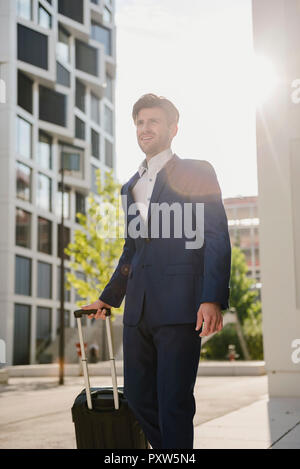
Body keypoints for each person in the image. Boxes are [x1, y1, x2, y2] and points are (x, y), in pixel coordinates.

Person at [82, 93, 231, 449]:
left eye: (153, 121)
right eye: (139, 122)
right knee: (138, 398)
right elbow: (132, 249)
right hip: (139, 311)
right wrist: (107, 298)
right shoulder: (129, 186)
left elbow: (215, 237)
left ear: (172, 128)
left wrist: (211, 298)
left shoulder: (197, 171)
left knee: (174, 403)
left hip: (181, 308)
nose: (145, 128)